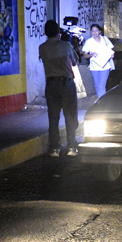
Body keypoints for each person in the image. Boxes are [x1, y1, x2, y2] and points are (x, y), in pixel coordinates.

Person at [39, 19, 81, 157]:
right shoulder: (66, 45)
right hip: (66, 83)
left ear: (45, 32)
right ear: (58, 31)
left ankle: (54, 148)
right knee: (70, 116)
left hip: (51, 84)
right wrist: (69, 41)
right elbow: (75, 62)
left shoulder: (42, 47)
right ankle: (71, 147)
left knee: (53, 117)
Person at [82, 24, 115, 98]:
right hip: (94, 67)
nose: (94, 32)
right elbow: (85, 55)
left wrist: (111, 55)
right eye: (93, 31)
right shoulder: (89, 42)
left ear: (100, 31)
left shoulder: (105, 39)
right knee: (97, 86)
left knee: (102, 85)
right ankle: (101, 101)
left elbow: (111, 51)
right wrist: (91, 55)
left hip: (105, 66)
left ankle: (102, 103)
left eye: (96, 30)